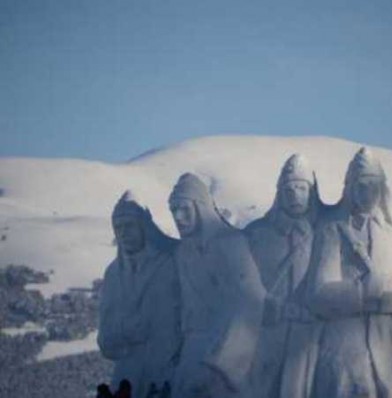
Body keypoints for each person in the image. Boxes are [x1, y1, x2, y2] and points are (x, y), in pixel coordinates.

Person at [307, 147, 392, 398]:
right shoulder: (332, 229)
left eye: (371, 184)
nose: (365, 191)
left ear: (382, 186)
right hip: (344, 344)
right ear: (349, 187)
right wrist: (363, 293)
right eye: (359, 184)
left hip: (391, 346)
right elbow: (318, 293)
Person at [169, 173, 266, 398]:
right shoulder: (183, 252)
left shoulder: (230, 244)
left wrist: (223, 365)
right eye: (173, 210)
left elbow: (252, 302)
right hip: (191, 352)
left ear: (200, 207)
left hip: (222, 355)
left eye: (184, 209)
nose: (178, 217)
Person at [243, 154, 325, 398]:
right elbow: (243, 282)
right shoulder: (256, 234)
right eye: (288, 188)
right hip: (267, 331)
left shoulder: (326, 232)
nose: (294, 194)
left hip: (308, 335)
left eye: (301, 188)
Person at [98, 192, 181, 398]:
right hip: (127, 377)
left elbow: (177, 323)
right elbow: (106, 341)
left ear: (143, 226)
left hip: (167, 374)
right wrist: (128, 329)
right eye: (118, 228)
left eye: (129, 225)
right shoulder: (113, 274)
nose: (123, 233)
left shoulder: (170, 263)